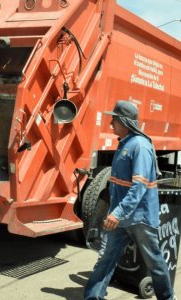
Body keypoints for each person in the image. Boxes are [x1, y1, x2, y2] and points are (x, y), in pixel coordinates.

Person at [84, 100, 176, 300]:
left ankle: (167, 298)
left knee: (155, 263)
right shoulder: (126, 144)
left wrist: (117, 213)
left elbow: (139, 186)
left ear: (125, 122)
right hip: (122, 217)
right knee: (106, 258)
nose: (111, 124)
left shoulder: (139, 146)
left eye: (114, 120)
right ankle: (93, 297)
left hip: (139, 218)